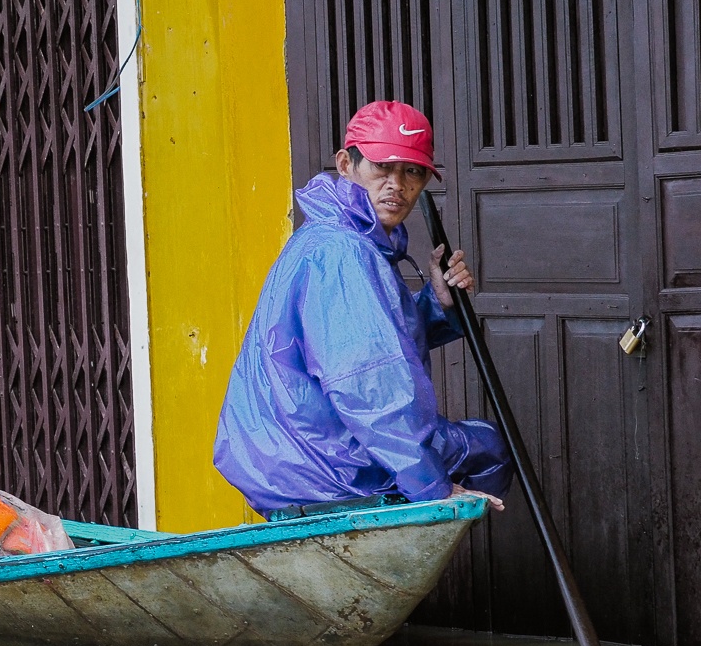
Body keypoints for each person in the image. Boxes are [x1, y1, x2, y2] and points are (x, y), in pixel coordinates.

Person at [214, 100, 513, 518]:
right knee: (490, 450)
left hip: (288, 452)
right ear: (345, 163)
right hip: (321, 460)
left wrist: (438, 301)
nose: (397, 185)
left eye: (412, 171)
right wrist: (433, 488)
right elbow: (370, 385)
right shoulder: (344, 252)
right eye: (382, 167)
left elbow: (374, 340)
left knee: (474, 448)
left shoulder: (337, 237)